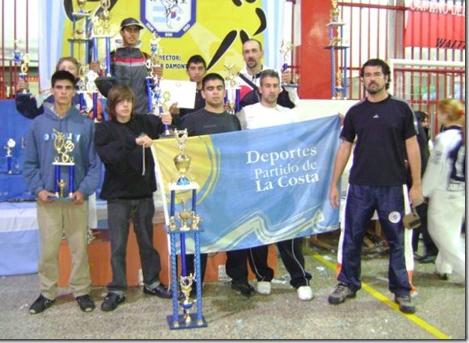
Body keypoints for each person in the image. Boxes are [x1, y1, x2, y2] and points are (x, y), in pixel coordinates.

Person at [327, 58, 423, 314]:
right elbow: (345, 146)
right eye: (367, 75)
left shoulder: (401, 109)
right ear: (363, 79)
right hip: (359, 187)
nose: (372, 79)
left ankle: (402, 290)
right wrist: (334, 183)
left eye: (377, 74)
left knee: (397, 240)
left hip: (392, 187)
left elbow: (412, 146)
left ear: (386, 78)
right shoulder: (356, 113)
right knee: (352, 237)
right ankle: (347, 283)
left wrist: (417, 185)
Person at [23, 70, 101, 314]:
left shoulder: (85, 125)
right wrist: (38, 190)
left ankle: (81, 291)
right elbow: (30, 163)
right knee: (48, 249)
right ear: (52, 90)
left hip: (76, 199)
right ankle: (47, 292)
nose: (63, 92)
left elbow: (94, 165)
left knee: (79, 248)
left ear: (74, 91)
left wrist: (84, 191)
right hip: (48, 200)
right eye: (59, 87)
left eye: (68, 88)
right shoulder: (38, 124)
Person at [235, 69, 313, 301]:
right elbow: (235, 145)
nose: (271, 90)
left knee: (289, 234)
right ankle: (263, 276)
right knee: (257, 232)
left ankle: (300, 279)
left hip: (282, 183)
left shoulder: (288, 115)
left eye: (275, 85)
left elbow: (306, 137)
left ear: (280, 88)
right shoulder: (246, 114)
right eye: (267, 85)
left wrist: (332, 124)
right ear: (259, 89)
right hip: (255, 184)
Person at [94, 84, 172, 312]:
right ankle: (117, 288)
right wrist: (134, 142)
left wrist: (170, 116)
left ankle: (152, 282)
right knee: (117, 245)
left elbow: (164, 125)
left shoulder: (143, 121)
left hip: (143, 194)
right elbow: (108, 155)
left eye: (128, 100)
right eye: (120, 102)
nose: (125, 105)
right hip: (118, 196)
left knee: (147, 243)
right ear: (112, 105)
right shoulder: (104, 129)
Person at [180, 72, 254, 297]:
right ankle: (193, 283)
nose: (215, 92)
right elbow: (180, 152)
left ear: (224, 91)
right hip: (202, 190)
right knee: (199, 235)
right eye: (210, 88)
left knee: (236, 236)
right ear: (202, 93)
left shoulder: (232, 120)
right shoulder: (191, 120)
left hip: (231, 188)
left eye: (218, 88)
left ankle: (239, 279)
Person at [422, 99, 465, 282]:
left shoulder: (444, 139)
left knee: (440, 233)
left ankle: (463, 268)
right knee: (452, 230)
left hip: (444, 191)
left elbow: (435, 167)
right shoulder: (462, 136)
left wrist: (424, 192)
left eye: (439, 112)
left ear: (446, 115)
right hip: (461, 190)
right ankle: (443, 267)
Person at [91, 17, 162, 114]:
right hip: (118, 114)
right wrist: (96, 72)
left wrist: (158, 77)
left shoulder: (146, 58)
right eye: (128, 30)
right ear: (121, 32)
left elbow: (153, 86)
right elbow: (104, 86)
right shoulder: (111, 58)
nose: (132, 34)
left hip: (141, 112)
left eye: (135, 30)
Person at [15, 56, 103, 121]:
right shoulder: (46, 95)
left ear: (78, 73)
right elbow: (29, 110)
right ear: (57, 72)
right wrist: (23, 92)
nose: (66, 70)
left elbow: (97, 119)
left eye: (71, 68)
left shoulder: (87, 97)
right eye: (63, 68)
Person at [237, 38, 300, 110]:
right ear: (243, 55)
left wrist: (288, 85)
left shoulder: (277, 75)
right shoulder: (236, 81)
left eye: (254, 51)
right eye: (247, 52)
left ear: (262, 53)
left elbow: (294, 103)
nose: (250, 55)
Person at [411, 110, 438, 263]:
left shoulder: (416, 133)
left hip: (419, 178)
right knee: (415, 214)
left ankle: (431, 249)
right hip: (420, 177)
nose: (427, 123)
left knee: (421, 214)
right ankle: (412, 245)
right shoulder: (419, 132)